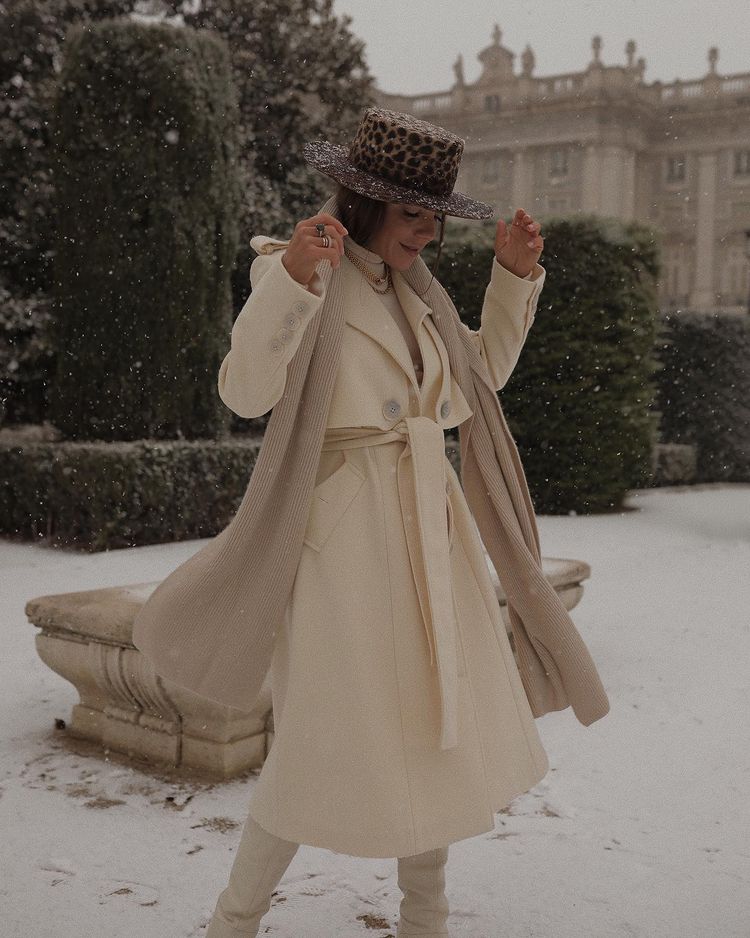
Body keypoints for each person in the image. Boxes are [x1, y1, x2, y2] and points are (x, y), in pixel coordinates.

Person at [131, 106, 609, 937]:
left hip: (433, 525)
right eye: (411, 214)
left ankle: (426, 918)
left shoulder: (415, 295)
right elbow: (244, 392)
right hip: (343, 543)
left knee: (439, 727)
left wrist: (513, 278)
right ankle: (233, 920)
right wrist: (292, 282)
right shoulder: (300, 270)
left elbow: (478, 377)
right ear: (365, 205)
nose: (425, 233)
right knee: (319, 736)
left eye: (434, 216)